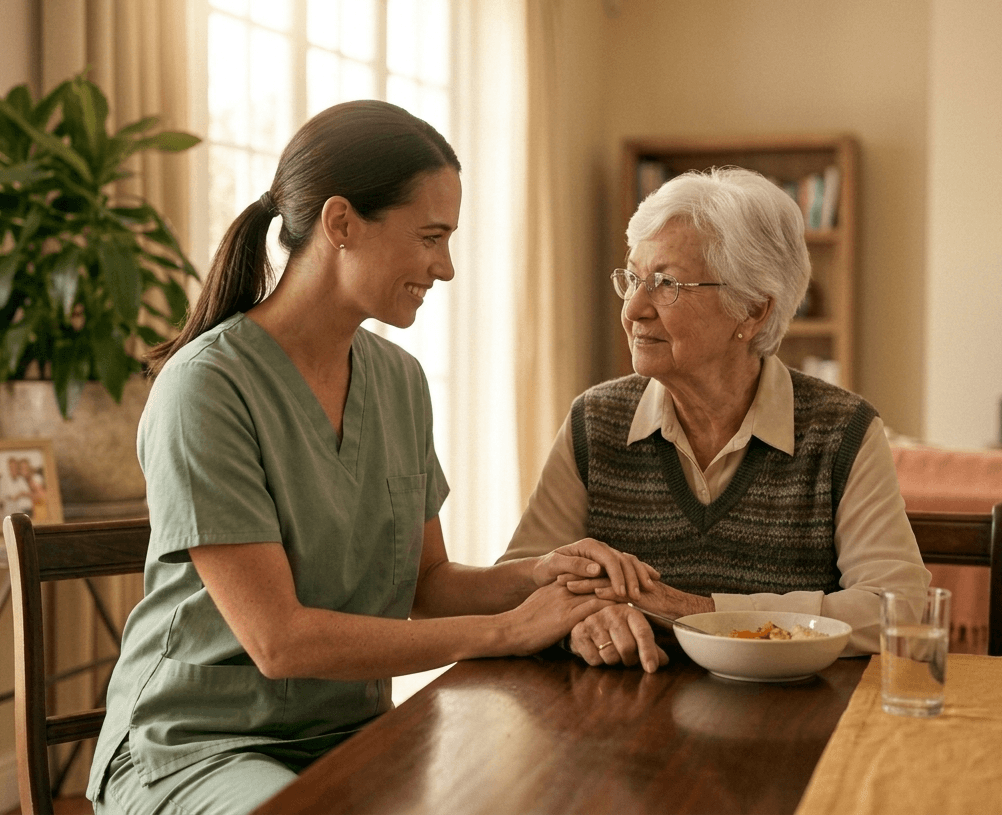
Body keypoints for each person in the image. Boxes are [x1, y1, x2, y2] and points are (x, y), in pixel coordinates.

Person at [86, 101, 656, 815]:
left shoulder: (399, 380)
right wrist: (509, 630)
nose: (444, 267)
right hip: (197, 744)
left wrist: (542, 575)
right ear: (341, 223)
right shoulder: (206, 387)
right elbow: (279, 641)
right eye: (430, 236)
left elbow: (428, 582)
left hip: (349, 733)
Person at [498, 166, 930, 673]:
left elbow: (898, 609)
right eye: (634, 279)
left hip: (795, 726)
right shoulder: (596, 421)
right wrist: (579, 625)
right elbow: (518, 587)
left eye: (666, 284)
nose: (635, 307)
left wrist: (700, 612)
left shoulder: (842, 431)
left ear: (751, 312)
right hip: (620, 724)